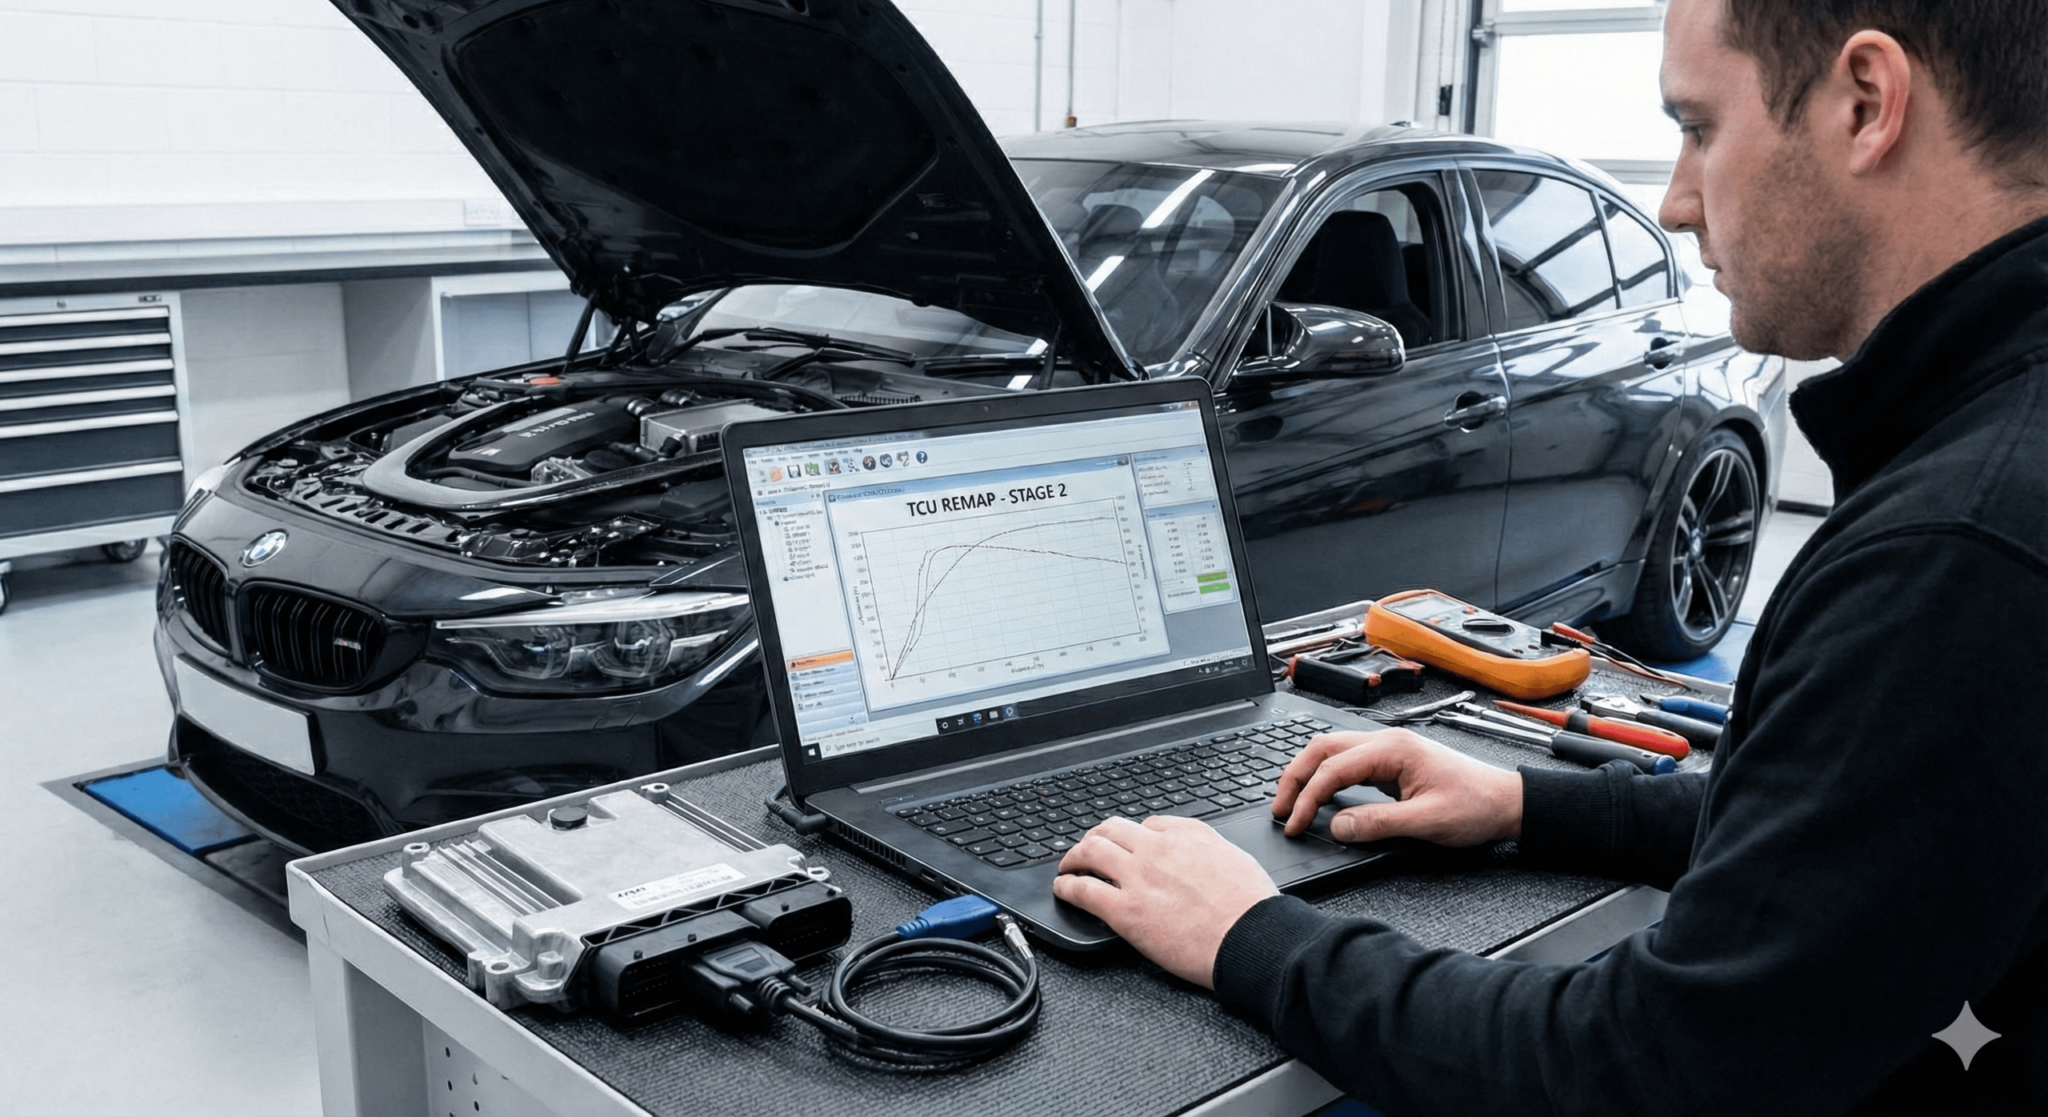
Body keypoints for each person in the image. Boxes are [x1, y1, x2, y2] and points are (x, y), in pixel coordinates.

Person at [1052, 1, 2048, 1111]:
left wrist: (1247, 934)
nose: (1673, 201)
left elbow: (1647, 1067)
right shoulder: (1997, 452)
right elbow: (1832, 827)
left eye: (1697, 126)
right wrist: (1527, 802)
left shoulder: (1959, 547)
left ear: (1864, 104)